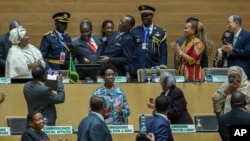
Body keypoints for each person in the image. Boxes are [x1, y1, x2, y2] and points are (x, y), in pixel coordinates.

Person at [127, 5, 167, 81]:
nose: (144, 17)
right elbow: (129, 51)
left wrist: (162, 68)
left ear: (152, 16)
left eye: (147, 15)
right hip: (136, 68)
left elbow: (163, 52)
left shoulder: (160, 32)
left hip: (154, 68)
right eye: (142, 15)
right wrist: (128, 69)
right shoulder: (135, 31)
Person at [222, 14, 250, 79]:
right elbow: (229, 55)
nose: (227, 26)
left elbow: (248, 52)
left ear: (237, 23)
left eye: (229, 23)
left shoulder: (247, 36)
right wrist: (226, 51)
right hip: (231, 72)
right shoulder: (229, 38)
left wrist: (232, 50)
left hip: (243, 72)